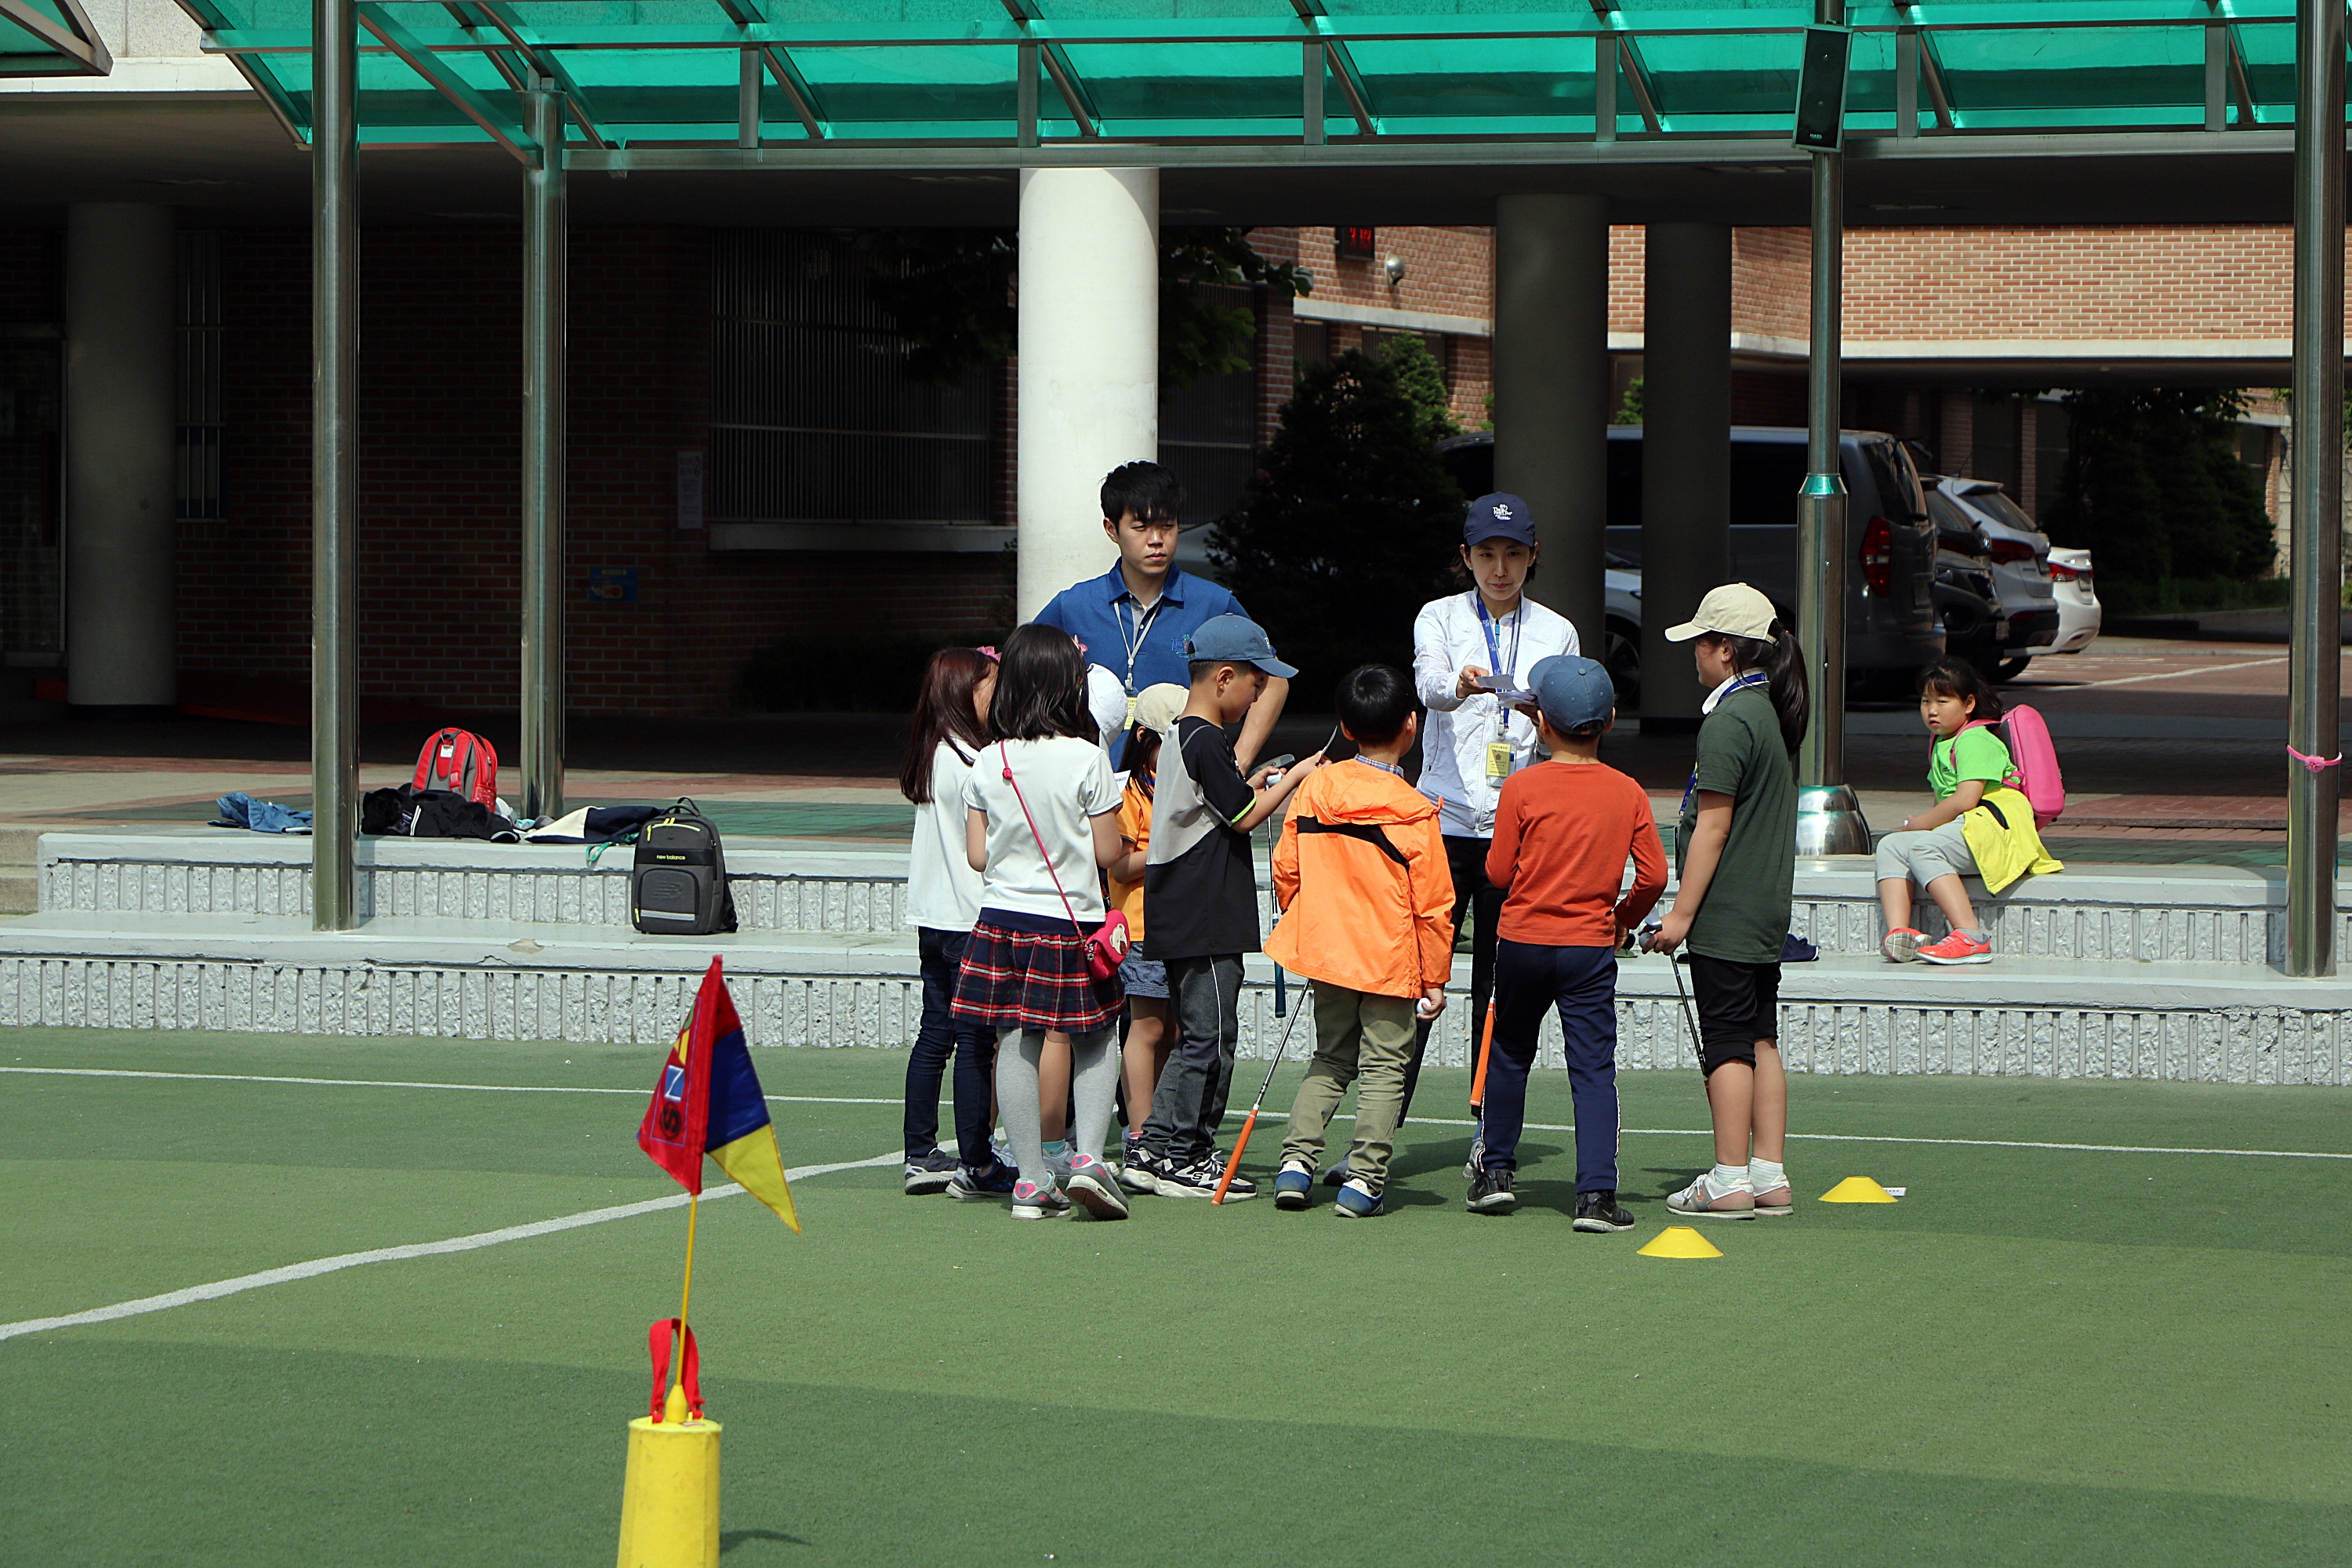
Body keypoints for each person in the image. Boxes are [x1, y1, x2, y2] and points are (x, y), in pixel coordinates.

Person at [1120, 615, 1322, 1201]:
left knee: (1195, 1038)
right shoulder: (1206, 738)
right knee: (1211, 1039)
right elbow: (1243, 817)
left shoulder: (1185, 735)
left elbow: (1220, 805)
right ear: (1224, 677)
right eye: (1255, 683)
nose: (1258, 696)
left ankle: (1156, 1148)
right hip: (1203, 910)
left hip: (1183, 907)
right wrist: (1295, 777)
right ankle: (1186, 1156)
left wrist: (1255, 780)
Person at [1466, 654, 1666, 1227]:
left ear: (1540, 722)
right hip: (1589, 946)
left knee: (1509, 1054)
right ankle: (1596, 1194)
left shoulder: (1523, 786)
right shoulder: (1627, 791)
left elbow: (1498, 873)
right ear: (1610, 721)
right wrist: (1625, 916)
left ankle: (1496, 1172)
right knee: (1593, 1067)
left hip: (1523, 941)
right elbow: (1653, 875)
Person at [1400, 492, 1581, 1125]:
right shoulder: (1440, 616)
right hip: (1443, 822)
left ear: (1533, 556)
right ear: (1466, 556)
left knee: (1500, 989)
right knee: (1418, 979)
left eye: (1513, 554)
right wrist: (1459, 685)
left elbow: (1567, 730)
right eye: (1486, 555)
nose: (1499, 569)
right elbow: (1427, 687)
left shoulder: (1556, 630)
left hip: (1515, 829)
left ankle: (1490, 1130)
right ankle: (1379, 1135)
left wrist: (1543, 716)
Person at [950, 624, 1132, 1221]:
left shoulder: (988, 760)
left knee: (1014, 1041)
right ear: (1068, 687)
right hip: (1070, 922)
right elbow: (1108, 852)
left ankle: (1028, 1181)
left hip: (1001, 920)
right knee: (1097, 1036)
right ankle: (1089, 1161)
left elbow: (978, 856)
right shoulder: (1088, 758)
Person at [1263, 665, 1453, 1218]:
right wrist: (1435, 979)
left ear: (1346, 728)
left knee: (1329, 1058)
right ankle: (1364, 1180)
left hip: (1327, 949)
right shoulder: (1416, 811)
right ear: (1412, 725)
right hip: (1390, 959)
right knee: (1385, 1067)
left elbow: (1286, 868)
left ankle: (1295, 1164)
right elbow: (1435, 906)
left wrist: (1307, 918)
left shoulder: (1315, 787)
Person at [1643, 583, 1806, 1221]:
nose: (1695, 654)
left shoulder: (1730, 719)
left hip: (1728, 911)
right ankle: (1767, 1174)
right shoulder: (1766, 711)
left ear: (1726, 650)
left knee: (1727, 1041)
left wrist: (1680, 915)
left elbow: (1712, 826)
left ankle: (1730, 1177)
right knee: (1760, 1035)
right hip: (1762, 908)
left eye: (1701, 643)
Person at [1033, 460, 1290, 770]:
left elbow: (1273, 678)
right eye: (1140, 527)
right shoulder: (1073, 605)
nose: (1156, 539)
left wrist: (1238, 760)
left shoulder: (1213, 603)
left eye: (1167, 526)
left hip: (1183, 784)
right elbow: (1017, 675)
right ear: (1112, 529)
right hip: (1087, 782)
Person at [896, 646, 1015, 1199]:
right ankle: (977, 1161)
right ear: (965, 691)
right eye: (990, 683)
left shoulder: (936, 751)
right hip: (969, 916)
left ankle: (921, 1152)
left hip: (934, 914)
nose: (999, 693)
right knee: (975, 1042)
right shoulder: (973, 761)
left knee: (937, 1033)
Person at [1877, 657, 2063, 965]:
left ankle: (1971, 936)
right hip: (1973, 825)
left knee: (1922, 847)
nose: (1932, 710)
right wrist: (1923, 827)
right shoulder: (1943, 741)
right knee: (1891, 845)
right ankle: (1900, 933)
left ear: (1969, 704)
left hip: (1996, 825)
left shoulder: (1975, 739)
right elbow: (1946, 803)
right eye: (1925, 701)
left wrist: (1919, 825)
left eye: (1942, 701)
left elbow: (1965, 799)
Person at [1106, 683, 1189, 1163]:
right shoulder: (1130, 792)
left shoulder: (1177, 784)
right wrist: (1170, 846)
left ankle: (1158, 1128)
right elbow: (1119, 866)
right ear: (1144, 739)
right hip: (1140, 929)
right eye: (1171, 744)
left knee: (1173, 1032)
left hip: (1177, 926)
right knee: (1147, 1028)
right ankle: (1139, 1134)